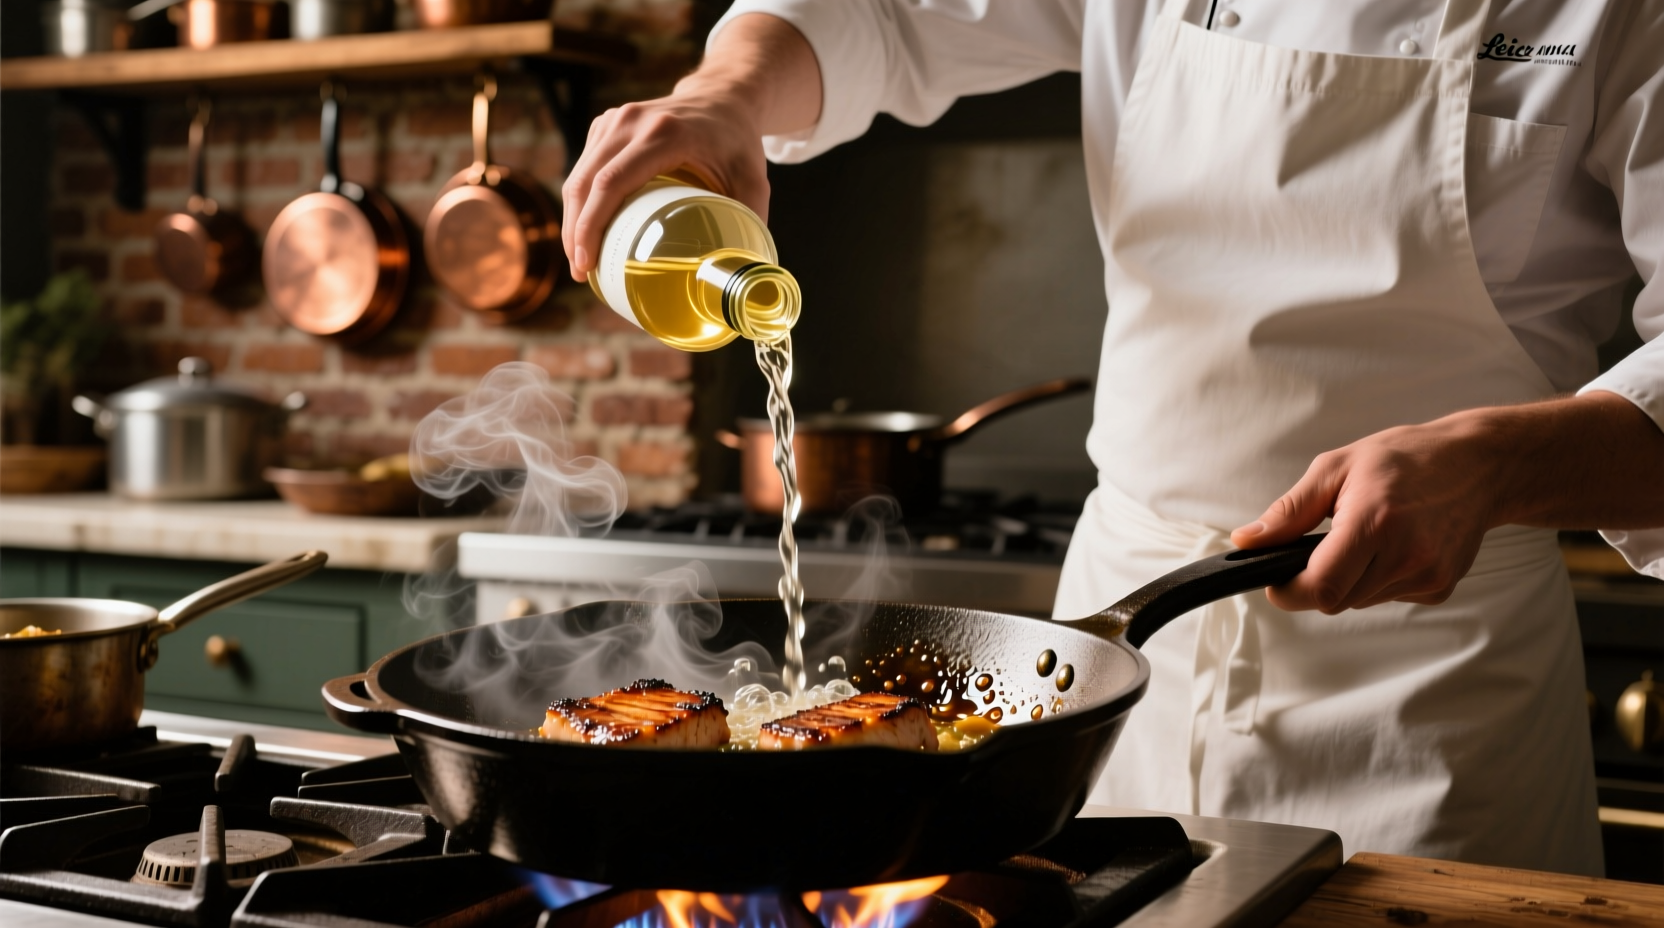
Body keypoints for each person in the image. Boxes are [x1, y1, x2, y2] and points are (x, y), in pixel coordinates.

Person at [559, 0, 1664, 875]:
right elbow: (882, 13)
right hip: (1115, 670)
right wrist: (723, 93)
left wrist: (1494, 463)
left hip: (1430, 693)